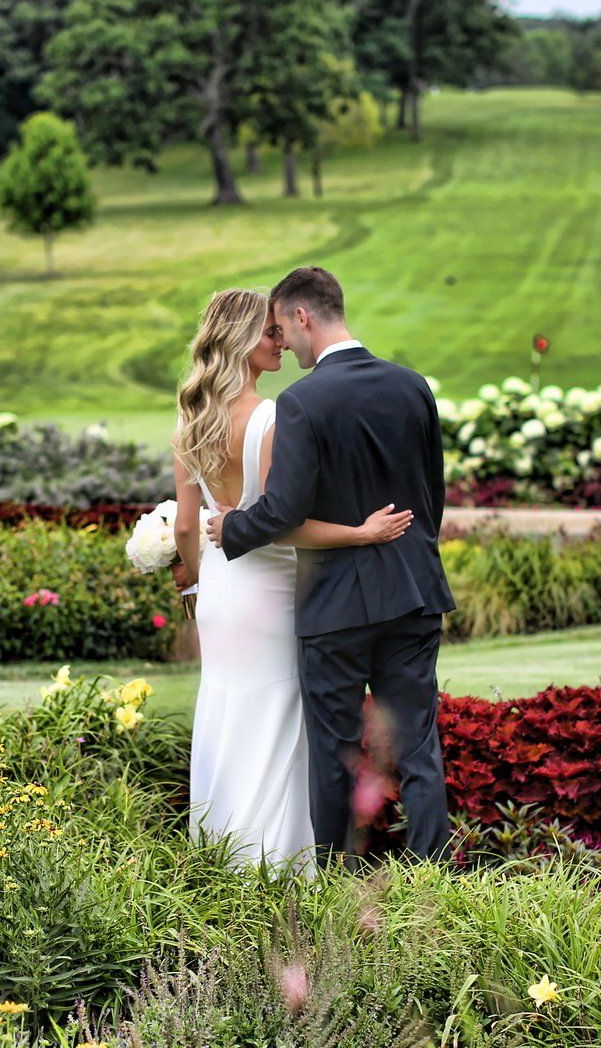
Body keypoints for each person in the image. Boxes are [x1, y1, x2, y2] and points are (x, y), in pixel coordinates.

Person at [207, 267, 456, 862]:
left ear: (302, 318)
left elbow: (283, 510)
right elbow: (432, 495)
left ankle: (339, 878)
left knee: (336, 751)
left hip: (335, 610)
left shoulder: (302, 401)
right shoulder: (412, 385)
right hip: (415, 595)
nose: (283, 344)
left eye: (282, 330)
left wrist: (231, 528)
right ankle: (433, 880)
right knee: (418, 747)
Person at [171, 287, 412, 872]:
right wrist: (360, 533)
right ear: (241, 341)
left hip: (220, 594)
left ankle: (219, 860)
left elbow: (185, 529)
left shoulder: (190, 422)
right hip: (273, 591)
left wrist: (196, 590)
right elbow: (281, 525)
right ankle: (276, 868)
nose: (280, 340)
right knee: (278, 723)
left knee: (227, 715)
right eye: (269, 332)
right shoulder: (273, 419)